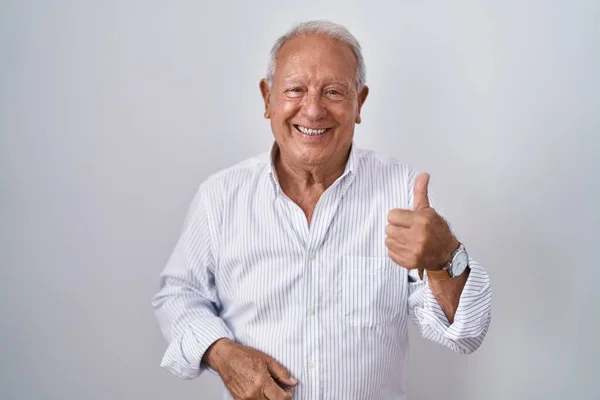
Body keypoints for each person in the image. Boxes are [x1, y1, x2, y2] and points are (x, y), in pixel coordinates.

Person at [152, 20, 492, 400]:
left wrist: (445, 259)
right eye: (295, 90)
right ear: (267, 99)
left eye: (333, 92)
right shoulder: (219, 197)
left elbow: (468, 333)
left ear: (359, 103)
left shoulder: (403, 195)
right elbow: (178, 294)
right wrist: (220, 351)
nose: (313, 110)